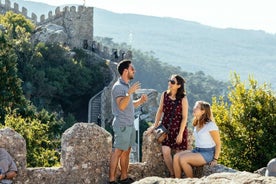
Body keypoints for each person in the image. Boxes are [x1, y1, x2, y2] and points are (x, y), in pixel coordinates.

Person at [109, 59, 148, 184]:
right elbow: (121, 106)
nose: (134, 71)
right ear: (125, 71)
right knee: (118, 151)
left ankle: (124, 177)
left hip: (129, 125)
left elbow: (128, 104)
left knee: (126, 151)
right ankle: (111, 180)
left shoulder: (125, 86)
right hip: (122, 125)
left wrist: (140, 102)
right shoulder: (119, 87)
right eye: (132, 69)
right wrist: (129, 92)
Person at [146, 74, 189, 177]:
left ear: (179, 85)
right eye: (169, 81)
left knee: (178, 155)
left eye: (173, 82)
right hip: (166, 129)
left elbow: (184, 117)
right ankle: (172, 173)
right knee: (166, 152)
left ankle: (178, 176)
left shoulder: (183, 99)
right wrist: (154, 126)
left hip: (178, 129)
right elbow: (160, 110)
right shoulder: (164, 95)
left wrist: (180, 134)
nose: (170, 83)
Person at [173, 101, 221, 178]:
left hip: (207, 153)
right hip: (197, 150)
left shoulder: (211, 125)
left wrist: (215, 159)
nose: (194, 108)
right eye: (195, 106)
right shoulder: (197, 123)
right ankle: (176, 181)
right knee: (176, 157)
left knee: (183, 159)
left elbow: (218, 143)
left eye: (197, 107)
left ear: (203, 111)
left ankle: (192, 182)